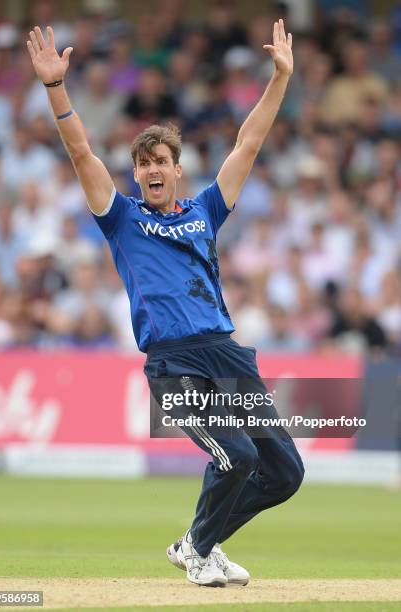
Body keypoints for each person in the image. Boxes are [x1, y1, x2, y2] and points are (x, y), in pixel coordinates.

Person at [27, 19, 304, 588]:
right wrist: (56, 87)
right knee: (237, 456)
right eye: (144, 163)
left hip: (227, 355)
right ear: (136, 174)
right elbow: (81, 154)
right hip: (174, 363)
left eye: (162, 161)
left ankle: (200, 542)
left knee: (284, 472)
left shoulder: (206, 209)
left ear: (178, 170)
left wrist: (279, 78)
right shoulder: (123, 218)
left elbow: (248, 142)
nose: (153, 170)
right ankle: (199, 551)